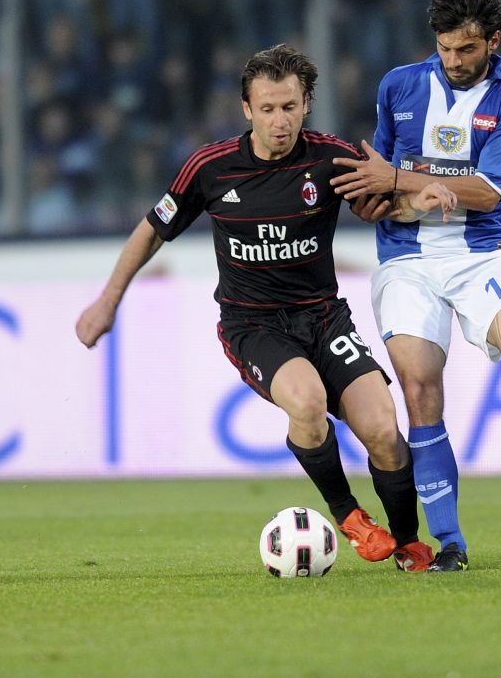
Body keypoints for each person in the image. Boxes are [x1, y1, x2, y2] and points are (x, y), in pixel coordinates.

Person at [76, 44, 457, 573]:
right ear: (246, 109)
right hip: (254, 325)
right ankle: (348, 514)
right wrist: (107, 302)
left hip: (324, 319)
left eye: (290, 107)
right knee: (307, 402)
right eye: (268, 109)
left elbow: (383, 205)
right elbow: (151, 231)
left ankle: (408, 541)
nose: (281, 121)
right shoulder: (211, 168)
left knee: (383, 429)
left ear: (306, 105)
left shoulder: (330, 158)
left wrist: (418, 200)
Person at [330, 0, 501, 572]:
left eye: (467, 49)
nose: (454, 61)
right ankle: (450, 542)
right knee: (420, 390)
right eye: (445, 48)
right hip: (408, 258)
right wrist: (379, 199)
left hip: (487, 250)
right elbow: (376, 182)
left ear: (493, 42)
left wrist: (402, 182)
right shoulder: (398, 86)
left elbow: (487, 191)